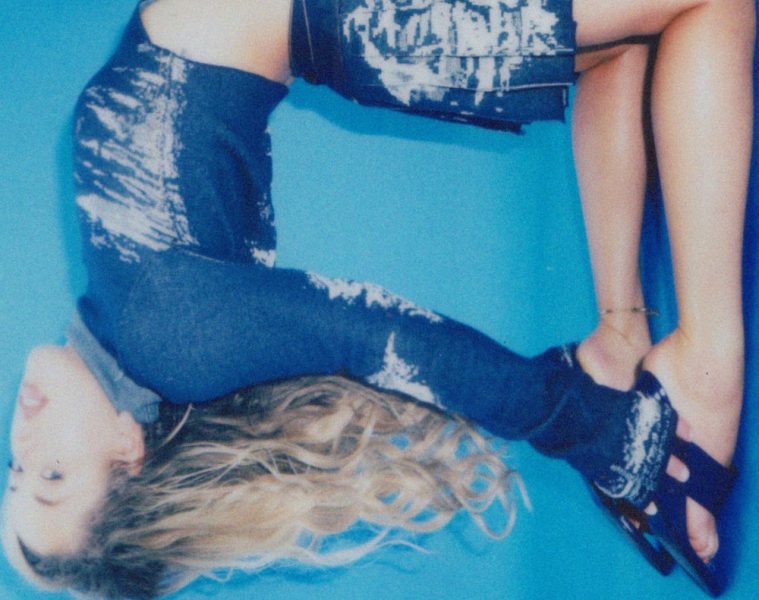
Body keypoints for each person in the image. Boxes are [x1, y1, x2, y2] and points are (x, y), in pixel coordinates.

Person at [1, 0, 751, 597]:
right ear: (127, 452)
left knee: (611, 47)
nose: (23, 445)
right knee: (711, 5)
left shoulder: (120, 309)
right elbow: (389, 339)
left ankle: (617, 342)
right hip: (358, 19)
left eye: (14, 471)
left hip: (338, 23)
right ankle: (707, 362)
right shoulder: (162, 335)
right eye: (52, 477)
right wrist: (609, 441)